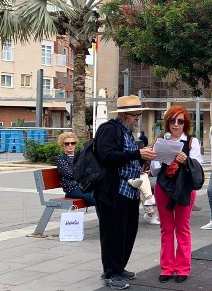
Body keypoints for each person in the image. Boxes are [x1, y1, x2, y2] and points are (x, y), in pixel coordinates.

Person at [94, 95, 156, 289]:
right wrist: (137, 154)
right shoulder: (108, 129)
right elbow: (107, 156)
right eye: (135, 115)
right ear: (123, 115)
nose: (137, 119)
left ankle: (119, 268)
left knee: (128, 232)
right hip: (113, 191)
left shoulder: (127, 132)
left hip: (130, 190)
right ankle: (111, 273)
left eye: (138, 115)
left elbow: (126, 157)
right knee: (113, 233)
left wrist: (141, 161)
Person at [150, 106, 203, 284]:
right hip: (163, 188)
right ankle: (167, 267)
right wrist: (159, 158)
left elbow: (198, 167)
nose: (176, 125)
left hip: (184, 189)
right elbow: (155, 171)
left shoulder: (191, 142)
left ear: (185, 123)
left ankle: (182, 268)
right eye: (172, 121)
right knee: (166, 229)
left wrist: (186, 160)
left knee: (182, 228)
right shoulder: (160, 140)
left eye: (180, 121)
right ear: (167, 123)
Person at [55, 131, 96, 206]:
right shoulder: (61, 159)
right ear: (62, 145)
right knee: (96, 198)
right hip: (73, 189)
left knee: (104, 195)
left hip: (85, 186)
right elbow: (71, 174)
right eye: (67, 143)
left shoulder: (80, 156)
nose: (70, 145)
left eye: (72, 143)